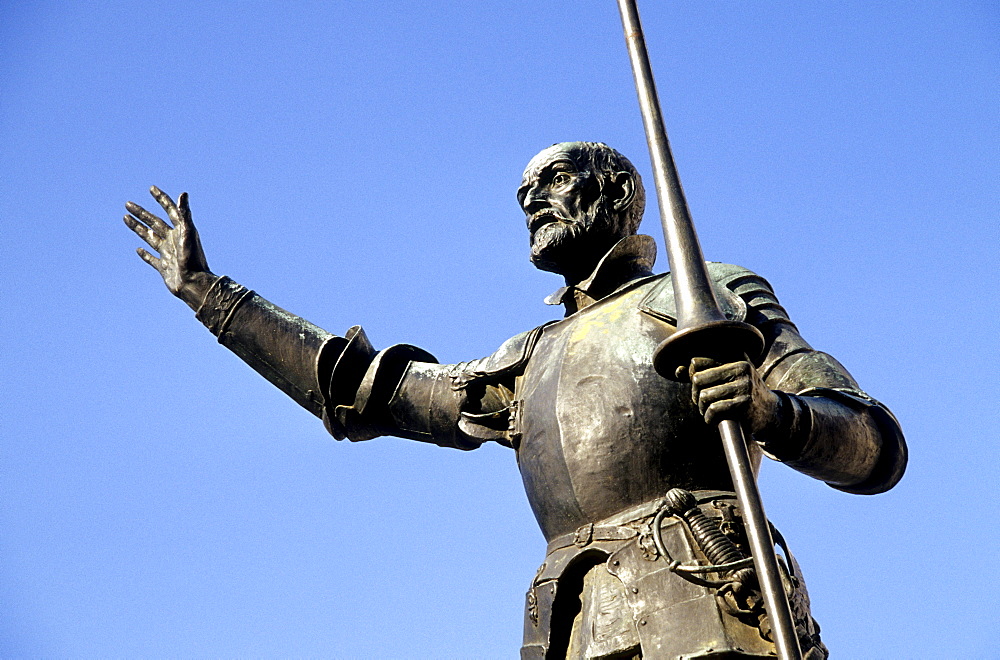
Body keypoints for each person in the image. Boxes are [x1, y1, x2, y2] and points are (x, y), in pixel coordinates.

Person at [123, 142, 905, 659]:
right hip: (572, 627)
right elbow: (367, 388)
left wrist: (776, 414)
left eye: (555, 182)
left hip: (710, 606)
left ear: (621, 193)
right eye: (524, 192)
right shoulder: (526, 362)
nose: (532, 202)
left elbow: (873, 445)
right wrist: (210, 294)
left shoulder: (705, 293)